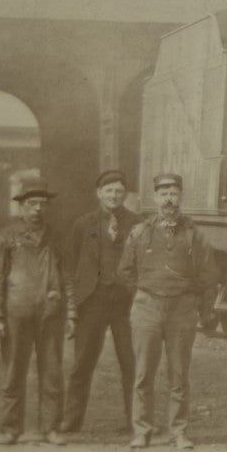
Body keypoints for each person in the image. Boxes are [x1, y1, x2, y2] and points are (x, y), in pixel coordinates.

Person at [117, 172, 220, 450]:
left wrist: (189, 295)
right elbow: (125, 271)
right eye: (163, 194)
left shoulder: (194, 235)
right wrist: (145, 292)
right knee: (143, 374)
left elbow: (209, 275)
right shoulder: (139, 232)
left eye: (174, 194)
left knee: (178, 374)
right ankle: (142, 430)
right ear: (155, 198)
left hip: (182, 310)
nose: (169, 199)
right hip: (147, 308)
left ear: (181, 197)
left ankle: (179, 432)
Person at [0, 175, 69, 445]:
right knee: (13, 372)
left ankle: (51, 428)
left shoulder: (56, 236)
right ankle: (11, 428)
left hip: (50, 313)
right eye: (32, 203)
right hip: (16, 313)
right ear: (22, 206)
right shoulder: (7, 237)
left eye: (43, 204)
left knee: (52, 373)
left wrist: (72, 312)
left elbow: (67, 275)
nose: (38, 209)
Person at [60, 169, 140, 436]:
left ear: (125, 194)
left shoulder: (138, 224)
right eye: (109, 191)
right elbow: (69, 265)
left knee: (132, 364)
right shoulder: (83, 224)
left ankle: (136, 422)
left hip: (125, 304)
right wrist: (72, 306)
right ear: (99, 194)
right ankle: (71, 423)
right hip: (92, 301)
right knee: (82, 363)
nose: (114, 196)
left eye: (119, 191)